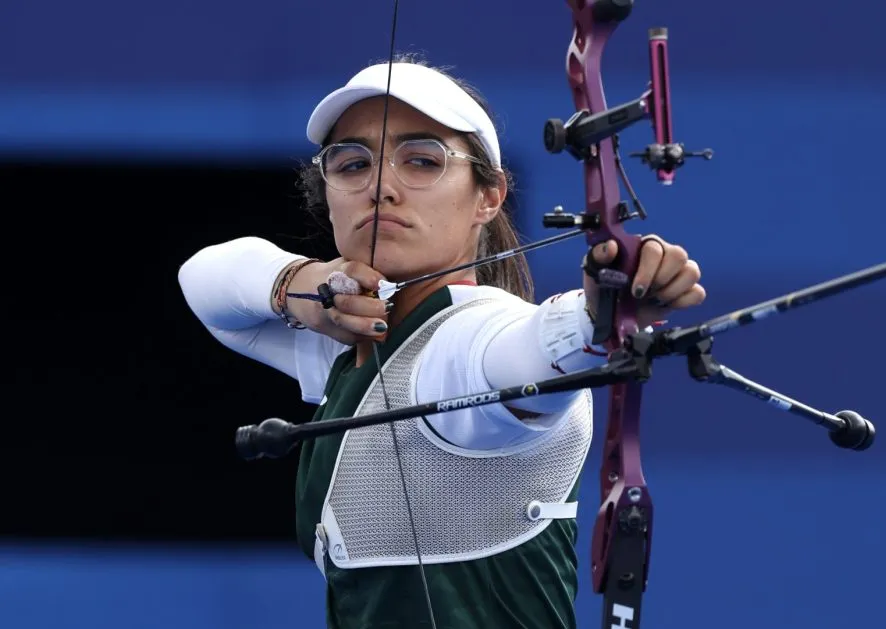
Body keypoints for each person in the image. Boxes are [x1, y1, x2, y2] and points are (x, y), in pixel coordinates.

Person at [178, 56, 705, 629]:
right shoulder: (347, 344)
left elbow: (523, 351)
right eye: (352, 164)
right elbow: (205, 279)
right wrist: (296, 284)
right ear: (327, 193)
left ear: (490, 197)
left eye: (422, 161)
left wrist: (598, 314)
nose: (380, 187)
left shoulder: (470, 336)